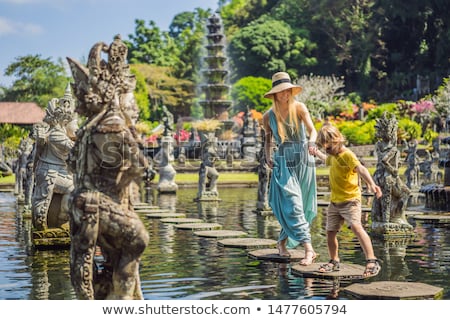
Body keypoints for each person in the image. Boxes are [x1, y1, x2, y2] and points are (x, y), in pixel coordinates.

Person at [262, 71, 318, 265]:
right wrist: (268, 157)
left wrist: (312, 143)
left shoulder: (300, 107)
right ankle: (309, 249)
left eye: (287, 91)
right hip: (283, 161)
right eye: (280, 92)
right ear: (275, 95)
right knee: (292, 203)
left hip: (304, 158)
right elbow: (268, 138)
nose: (285, 95)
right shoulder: (268, 116)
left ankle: (281, 242)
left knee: (300, 206)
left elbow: (313, 130)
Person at [312, 123, 382, 277]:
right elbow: (326, 160)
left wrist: (371, 184)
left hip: (351, 200)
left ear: (337, 141)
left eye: (328, 147)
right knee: (330, 232)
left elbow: (361, 169)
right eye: (324, 148)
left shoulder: (347, 155)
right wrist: (317, 153)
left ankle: (372, 260)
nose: (326, 151)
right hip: (335, 202)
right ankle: (334, 261)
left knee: (356, 227)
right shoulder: (333, 156)